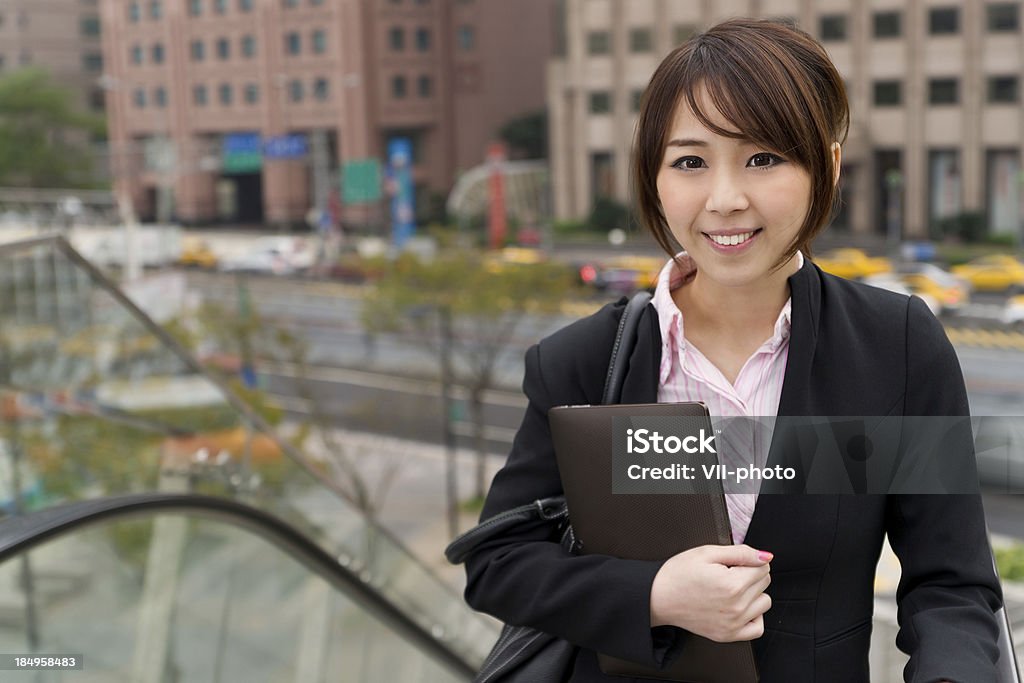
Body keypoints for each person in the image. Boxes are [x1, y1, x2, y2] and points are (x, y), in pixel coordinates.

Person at [463, 18, 1002, 683]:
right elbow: (498, 559)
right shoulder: (584, 360)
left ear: (826, 167)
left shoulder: (895, 348)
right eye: (690, 161)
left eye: (764, 158)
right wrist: (655, 593)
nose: (725, 199)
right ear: (654, 176)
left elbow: (953, 585)